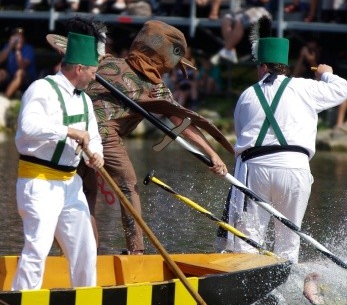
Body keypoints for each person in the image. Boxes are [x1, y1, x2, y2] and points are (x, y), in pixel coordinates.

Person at [50, 19, 234, 255]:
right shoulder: (154, 87)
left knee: (86, 194)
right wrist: (212, 155)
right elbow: (183, 123)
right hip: (103, 136)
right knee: (128, 186)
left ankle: (86, 254)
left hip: (73, 133)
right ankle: (136, 252)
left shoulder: (106, 63)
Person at [225, 15, 347, 263]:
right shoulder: (305, 87)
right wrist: (326, 74)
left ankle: (247, 294)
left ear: (262, 66)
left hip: (255, 169)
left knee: (248, 239)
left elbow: (241, 137)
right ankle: (282, 289)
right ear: (284, 65)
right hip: (295, 170)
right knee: (288, 240)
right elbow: (342, 90)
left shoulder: (247, 94)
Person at [12, 32, 104, 290]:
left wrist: (96, 156)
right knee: (38, 247)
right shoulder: (41, 89)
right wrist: (68, 131)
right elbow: (28, 126)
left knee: (86, 248)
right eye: (93, 71)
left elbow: (93, 137)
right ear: (79, 68)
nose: (95, 76)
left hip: (70, 184)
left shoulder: (85, 100)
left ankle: (86, 300)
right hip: (39, 181)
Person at [211, 0, 279, 65]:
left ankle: (225, 50)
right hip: (248, 8)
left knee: (240, 20)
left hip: (264, 10)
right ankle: (229, 49)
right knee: (226, 18)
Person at [0, 27, 37, 99]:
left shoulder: (29, 49)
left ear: (24, 39)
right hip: (11, 75)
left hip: (26, 78)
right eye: (15, 36)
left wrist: (18, 50)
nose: (17, 39)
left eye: (20, 37)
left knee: (20, 72)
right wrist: (10, 47)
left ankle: (5, 98)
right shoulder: (8, 46)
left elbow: (22, 66)